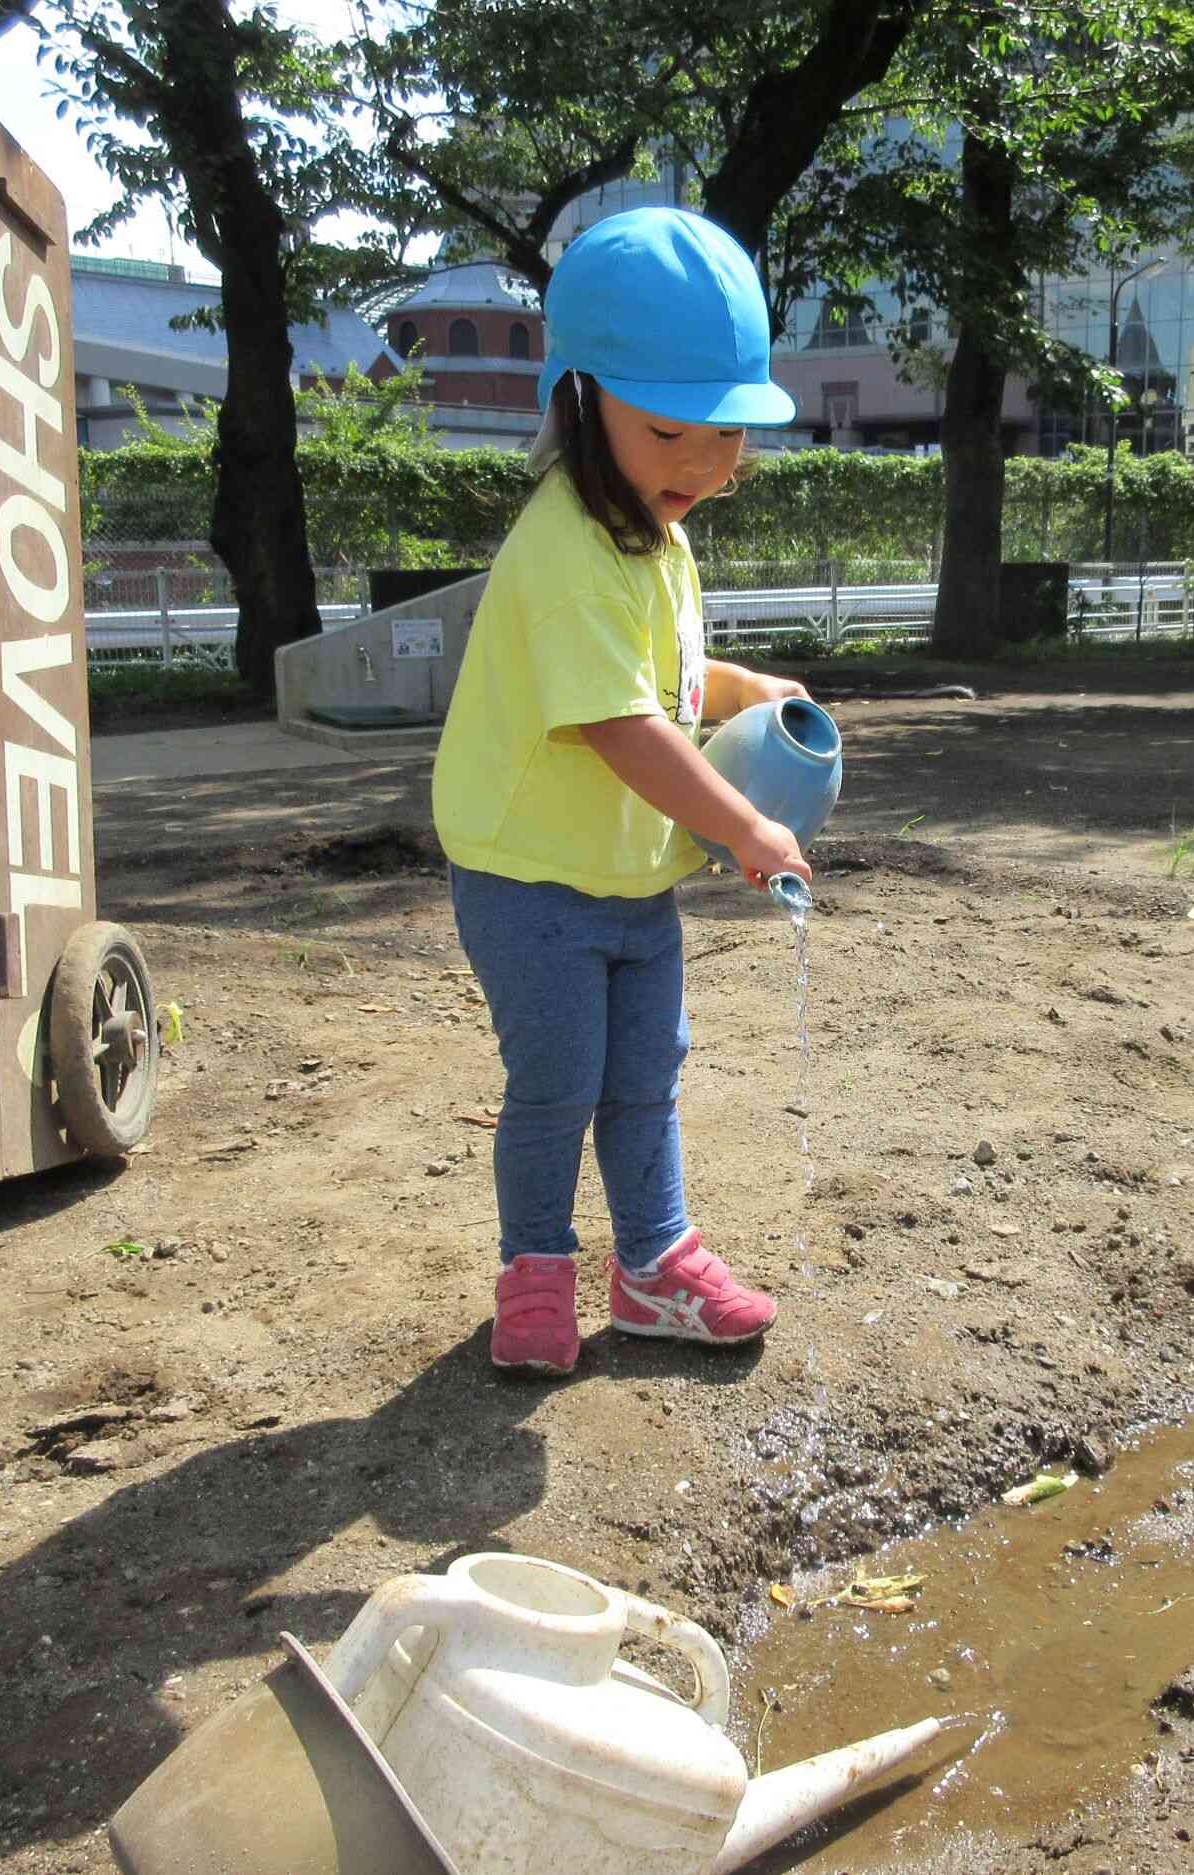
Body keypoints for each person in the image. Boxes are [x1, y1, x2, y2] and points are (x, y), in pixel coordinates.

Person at [430, 207, 816, 1376]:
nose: (704, 467)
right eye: (670, 433)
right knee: (557, 1085)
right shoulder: (559, 549)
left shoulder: (656, 527)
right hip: (528, 877)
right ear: (578, 400)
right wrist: (746, 824)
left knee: (645, 1080)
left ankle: (653, 1268)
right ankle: (534, 1271)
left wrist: (746, 688)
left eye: (728, 437)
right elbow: (619, 721)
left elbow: (668, 679)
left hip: (627, 876)